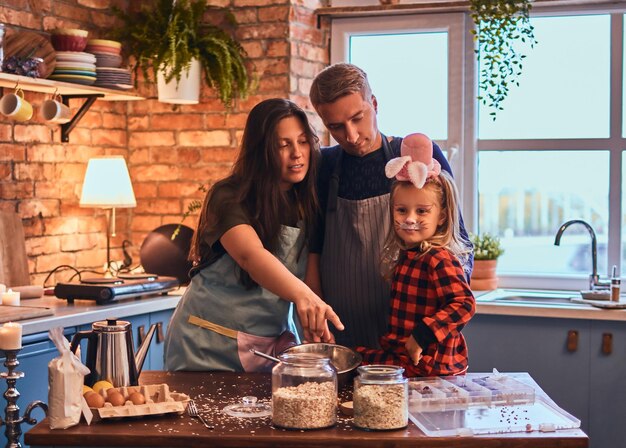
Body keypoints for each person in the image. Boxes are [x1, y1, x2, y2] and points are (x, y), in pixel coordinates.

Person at [164, 98, 344, 372]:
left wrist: (314, 321)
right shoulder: (228, 196)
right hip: (206, 343)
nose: (297, 153)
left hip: (267, 348)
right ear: (262, 151)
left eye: (303, 141)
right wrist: (304, 297)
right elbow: (251, 256)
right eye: (283, 145)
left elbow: (308, 276)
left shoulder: (307, 200)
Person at [308, 63, 472, 348]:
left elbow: (457, 244)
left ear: (374, 103)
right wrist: (317, 315)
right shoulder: (324, 166)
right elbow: (313, 249)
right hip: (342, 336)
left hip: (413, 338)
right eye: (335, 126)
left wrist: (433, 328)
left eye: (358, 118)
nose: (351, 135)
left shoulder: (415, 159)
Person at [356, 133, 475, 376]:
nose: (409, 219)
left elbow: (464, 304)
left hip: (430, 364)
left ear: (441, 216)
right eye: (401, 210)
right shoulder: (409, 256)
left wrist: (422, 335)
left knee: (357, 364)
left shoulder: (438, 259)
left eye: (422, 211)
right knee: (352, 357)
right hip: (407, 358)